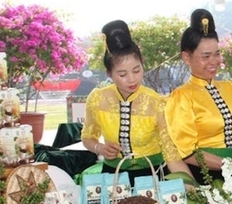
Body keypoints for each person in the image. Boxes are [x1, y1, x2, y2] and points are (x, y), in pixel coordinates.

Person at [165, 9, 232, 186]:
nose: (214, 61)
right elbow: (188, 153)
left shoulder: (230, 89)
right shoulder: (181, 97)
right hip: (205, 176)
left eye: (217, 54)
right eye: (206, 56)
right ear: (186, 57)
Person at [81, 20, 193, 184]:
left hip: (152, 177)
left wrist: (194, 190)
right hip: (114, 178)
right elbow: (87, 138)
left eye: (136, 70)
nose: (132, 79)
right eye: (122, 74)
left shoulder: (156, 103)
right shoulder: (98, 99)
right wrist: (100, 148)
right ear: (110, 74)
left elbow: (171, 154)